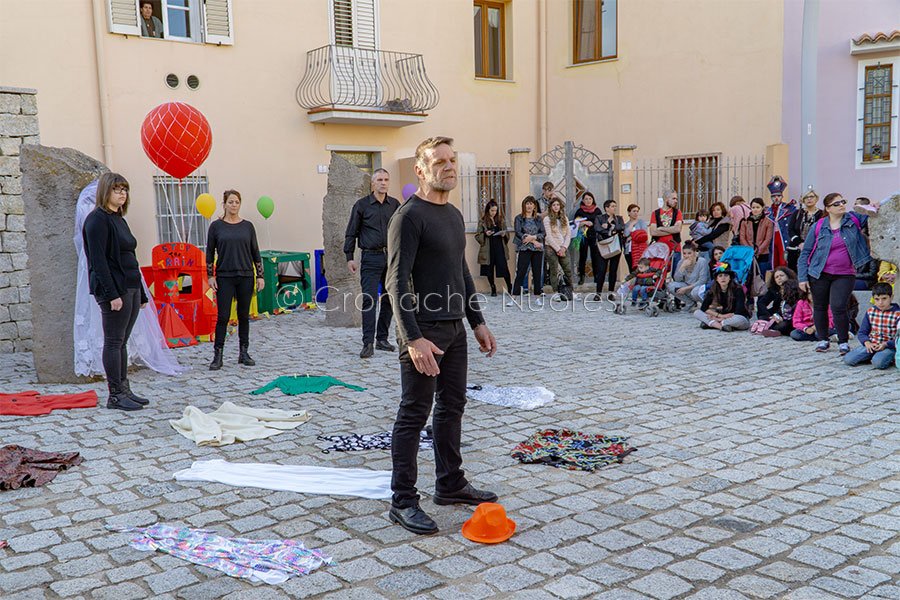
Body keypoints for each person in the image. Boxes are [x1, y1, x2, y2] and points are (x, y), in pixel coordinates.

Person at [385, 136, 498, 535]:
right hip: (424, 331)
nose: (449, 167)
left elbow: (460, 271)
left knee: (452, 407)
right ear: (420, 171)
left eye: (452, 160)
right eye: (439, 162)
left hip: (454, 328)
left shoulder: (452, 214)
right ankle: (402, 500)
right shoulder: (408, 217)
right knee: (414, 414)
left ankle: (450, 483)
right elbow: (396, 282)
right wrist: (412, 339)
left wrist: (477, 321)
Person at [82, 173, 149, 411]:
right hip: (114, 289)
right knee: (113, 341)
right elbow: (98, 261)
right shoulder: (96, 220)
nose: (122, 194)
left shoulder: (119, 219)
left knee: (122, 341)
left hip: (130, 285)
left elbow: (131, 257)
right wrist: (112, 294)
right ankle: (116, 395)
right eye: (117, 189)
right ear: (106, 191)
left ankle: (124, 388)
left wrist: (141, 292)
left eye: (125, 190)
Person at [798, 192, 873, 355]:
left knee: (838, 306)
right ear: (828, 208)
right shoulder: (818, 226)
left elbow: (870, 214)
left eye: (842, 202)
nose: (841, 205)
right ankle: (823, 340)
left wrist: (874, 206)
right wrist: (802, 278)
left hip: (845, 274)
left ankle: (843, 341)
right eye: (836, 204)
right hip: (819, 273)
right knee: (819, 306)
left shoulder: (853, 220)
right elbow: (806, 252)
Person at [344, 168, 400, 358]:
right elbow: (351, 232)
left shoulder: (395, 205)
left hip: (390, 257)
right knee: (369, 300)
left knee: (389, 299)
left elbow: (401, 231)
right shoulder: (361, 205)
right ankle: (367, 343)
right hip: (370, 258)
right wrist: (349, 257)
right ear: (373, 183)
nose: (383, 183)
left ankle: (382, 339)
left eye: (386, 179)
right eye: (379, 180)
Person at [206, 190, 264, 371]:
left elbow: (255, 252)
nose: (233, 205)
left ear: (240, 204)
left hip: (246, 275)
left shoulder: (248, 226)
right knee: (223, 317)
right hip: (225, 276)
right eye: (230, 202)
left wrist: (260, 276)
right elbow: (209, 253)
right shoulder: (216, 227)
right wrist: (210, 276)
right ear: (224, 204)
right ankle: (218, 354)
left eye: (237, 202)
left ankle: (244, 352)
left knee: (243, 316)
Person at [843, 283, 900, 369]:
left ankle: (887, 357)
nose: (880, 302)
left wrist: (886, 344)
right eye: (877, 299)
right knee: (849, 359)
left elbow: (898, 338)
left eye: (884, 298)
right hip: (872, 344)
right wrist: (867, 342)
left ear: (891, 297)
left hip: (888, 346)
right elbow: (862, 332)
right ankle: (872, 355)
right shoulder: (870, 312)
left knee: (879, 363)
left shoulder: (897, 314)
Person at [509, 196, 546, 304]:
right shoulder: (519, 218)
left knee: (537, 272)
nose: (529, 206)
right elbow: (518, 232)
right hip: (524, 248)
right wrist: (533, 241)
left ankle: (537, 297)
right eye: (527, 203)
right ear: (524, 205)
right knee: (521, 272)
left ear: (534, 206)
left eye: (531, 204)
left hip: (537, 249)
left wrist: (533, 238)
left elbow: (543, 233)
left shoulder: (538, 219)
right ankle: (514, 297)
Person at [694, 263, 751, 331]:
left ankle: (713, 324)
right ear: (717, 279)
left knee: (739, 320)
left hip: (736, 317)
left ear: (730, 278)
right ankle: (721, 327)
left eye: (726, 275)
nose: (723, 278)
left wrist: (720, 319)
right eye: (720, 276)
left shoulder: (738, 289)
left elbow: (739, 310)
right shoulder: (713, 290)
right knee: (697, 312)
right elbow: (704, 308)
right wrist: (720, 316)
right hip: (721, 316)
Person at [475, 201, 511, 297]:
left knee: (504, 268)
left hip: (500, 247)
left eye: (495, 210)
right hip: (488, 248)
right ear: (488, 210)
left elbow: (507, 233)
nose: (494, 212)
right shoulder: (483, 221)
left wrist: (504, 234)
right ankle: (493, 287)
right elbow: (478, 236)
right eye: (492, 210)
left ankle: (510, 286)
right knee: (489, 269)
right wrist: (485, 234)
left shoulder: (501, 220)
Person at [739, 197, 774, 293]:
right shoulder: (745, 221)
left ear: (762, 208)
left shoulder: (768, 221)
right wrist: (750, 251)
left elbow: (768, 239)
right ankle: (749, 299)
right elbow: (742, 237)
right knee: (748, 278)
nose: (755, 210)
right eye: (753, 207)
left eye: (757, 207)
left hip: (762, 254)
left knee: (760, 277)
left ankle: (760, 298)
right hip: (748, 255)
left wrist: (758, 251)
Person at [763, 176, 796, 270]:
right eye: (774, 196)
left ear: (782, 196)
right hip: (772, 238)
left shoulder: (789, 208)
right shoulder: (767, 211)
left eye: (778, 196)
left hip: (784, 237)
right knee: (773, 260)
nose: (776, 198)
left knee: (784, 259)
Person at [787, 189, 824, 273]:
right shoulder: (797, 213)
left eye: (811, 196)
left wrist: (809, 245)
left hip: (814, 250)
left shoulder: (822, 214)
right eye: (806, 197)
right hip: (795, 249)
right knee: (793, 274)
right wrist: (799, 243)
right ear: (803, 200)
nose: (809, 199)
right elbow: (790, 230)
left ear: (816, 199)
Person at [543, 197, 574, 297]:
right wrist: (558, 249)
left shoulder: (565, 218)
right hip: (551, 247)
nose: (556, 207)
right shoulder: (547, 219)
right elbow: (548, 236)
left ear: (560, 206)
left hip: (563, 247)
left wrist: (564, 247)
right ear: (550, 207)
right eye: (554, 205)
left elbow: (568, 234)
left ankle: (571, 291)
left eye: (557, 205)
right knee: (554, 269)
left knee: (568, 269)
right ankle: (555, 292)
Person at [593, 199, 625, 295]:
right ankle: (598, 293)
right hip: (603, 246)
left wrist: (608, 226)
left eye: (615, 206)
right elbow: (597, 228)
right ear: (606, 208)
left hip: (616, 245)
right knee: (601, 270)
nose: (614, 208)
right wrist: (609, 229)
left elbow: (621, 227)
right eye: (612, 206)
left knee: (613, 270)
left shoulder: (619, 218)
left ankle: (611, 292)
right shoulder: (599, 218)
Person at [753, 267, 797, 335]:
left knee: (784, 325)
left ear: (788, 276)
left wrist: (781, 317)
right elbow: (761, 302)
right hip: (776, 313)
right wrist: (768, 315)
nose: (779, 278)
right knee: (763, 317)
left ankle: (771, 328)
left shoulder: (795, 288)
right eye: (776, 277)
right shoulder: (774, 289)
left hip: (790, 314)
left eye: (781, 275)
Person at [666, 241, 709, 310]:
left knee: (695, 291)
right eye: (684, 253)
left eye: (689, 253)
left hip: (698, 287)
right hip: (686, 286)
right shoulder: (681, 262)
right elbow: (677, 279)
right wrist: (682, 267)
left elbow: (702, 281)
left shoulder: (702, 261)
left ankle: (705, 305)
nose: (686, 256)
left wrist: (686, 288)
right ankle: (690, 303)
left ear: (695, 253)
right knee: (671, 286)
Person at [649, 190, 684, 271]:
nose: (676, 201)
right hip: (660, 251)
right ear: (666, 199)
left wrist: (661, 228)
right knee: (659, 274)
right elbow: (653, 232)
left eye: (676, 199)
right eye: (673, 198)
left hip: (675, 249)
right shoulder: (655, 213)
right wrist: (671, 229)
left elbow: (678, 229)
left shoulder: (677, 212)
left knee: (675, 274)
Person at [574, 192, 601, 286]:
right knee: (583, 256)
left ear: (593, 200)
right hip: (583, 236)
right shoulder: (580, 211)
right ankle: (581, 276)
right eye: (586, 199)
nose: (588, 201)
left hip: (594, 236)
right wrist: (584, 222)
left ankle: (596, 276)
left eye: (590, 199)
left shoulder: (597, 210)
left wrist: (593, 223)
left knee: (595, 257)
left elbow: (600, 222)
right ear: (583, 200)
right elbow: (575, 223)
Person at [623, 203, 648, 271]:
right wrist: (632, 224)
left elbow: (643, 235)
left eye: (637, 211)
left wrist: (631, 237)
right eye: (634, 211)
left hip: (640, 249)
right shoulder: (626, 224)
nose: (636, 213)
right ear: (629, 212)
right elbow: (626, 234)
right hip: (629, 250)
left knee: (641, 269)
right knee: (632, 270)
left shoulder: (641, 222)